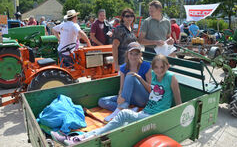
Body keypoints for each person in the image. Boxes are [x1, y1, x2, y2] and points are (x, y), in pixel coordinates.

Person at [51, 54, 182, 146]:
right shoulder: (153, 75)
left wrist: (172, 117)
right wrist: (140, 79)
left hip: (155, 116)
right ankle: (80, 138)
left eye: (162, 67)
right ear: (153, 68)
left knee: (123, 114)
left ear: (168, 66)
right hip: (146, 112)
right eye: (156, 67)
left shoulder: (171, 77)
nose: (159, 70)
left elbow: (178, 99)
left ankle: (79, 139)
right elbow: (150, 89)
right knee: (117, 125)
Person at [99, 42, 151, 122]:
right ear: (127, 54)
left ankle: (119, 110)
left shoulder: (146, 66)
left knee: (130, 76)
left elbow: (150, 89)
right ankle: (129, 109)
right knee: (102, 101)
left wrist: (139, 78)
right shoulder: (123, 67)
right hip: (129, 98)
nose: (133, 56)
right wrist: (120, 95)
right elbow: (122, 87)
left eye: (136, 54)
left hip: (142, 99)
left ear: (140, 55)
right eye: (131, 53)